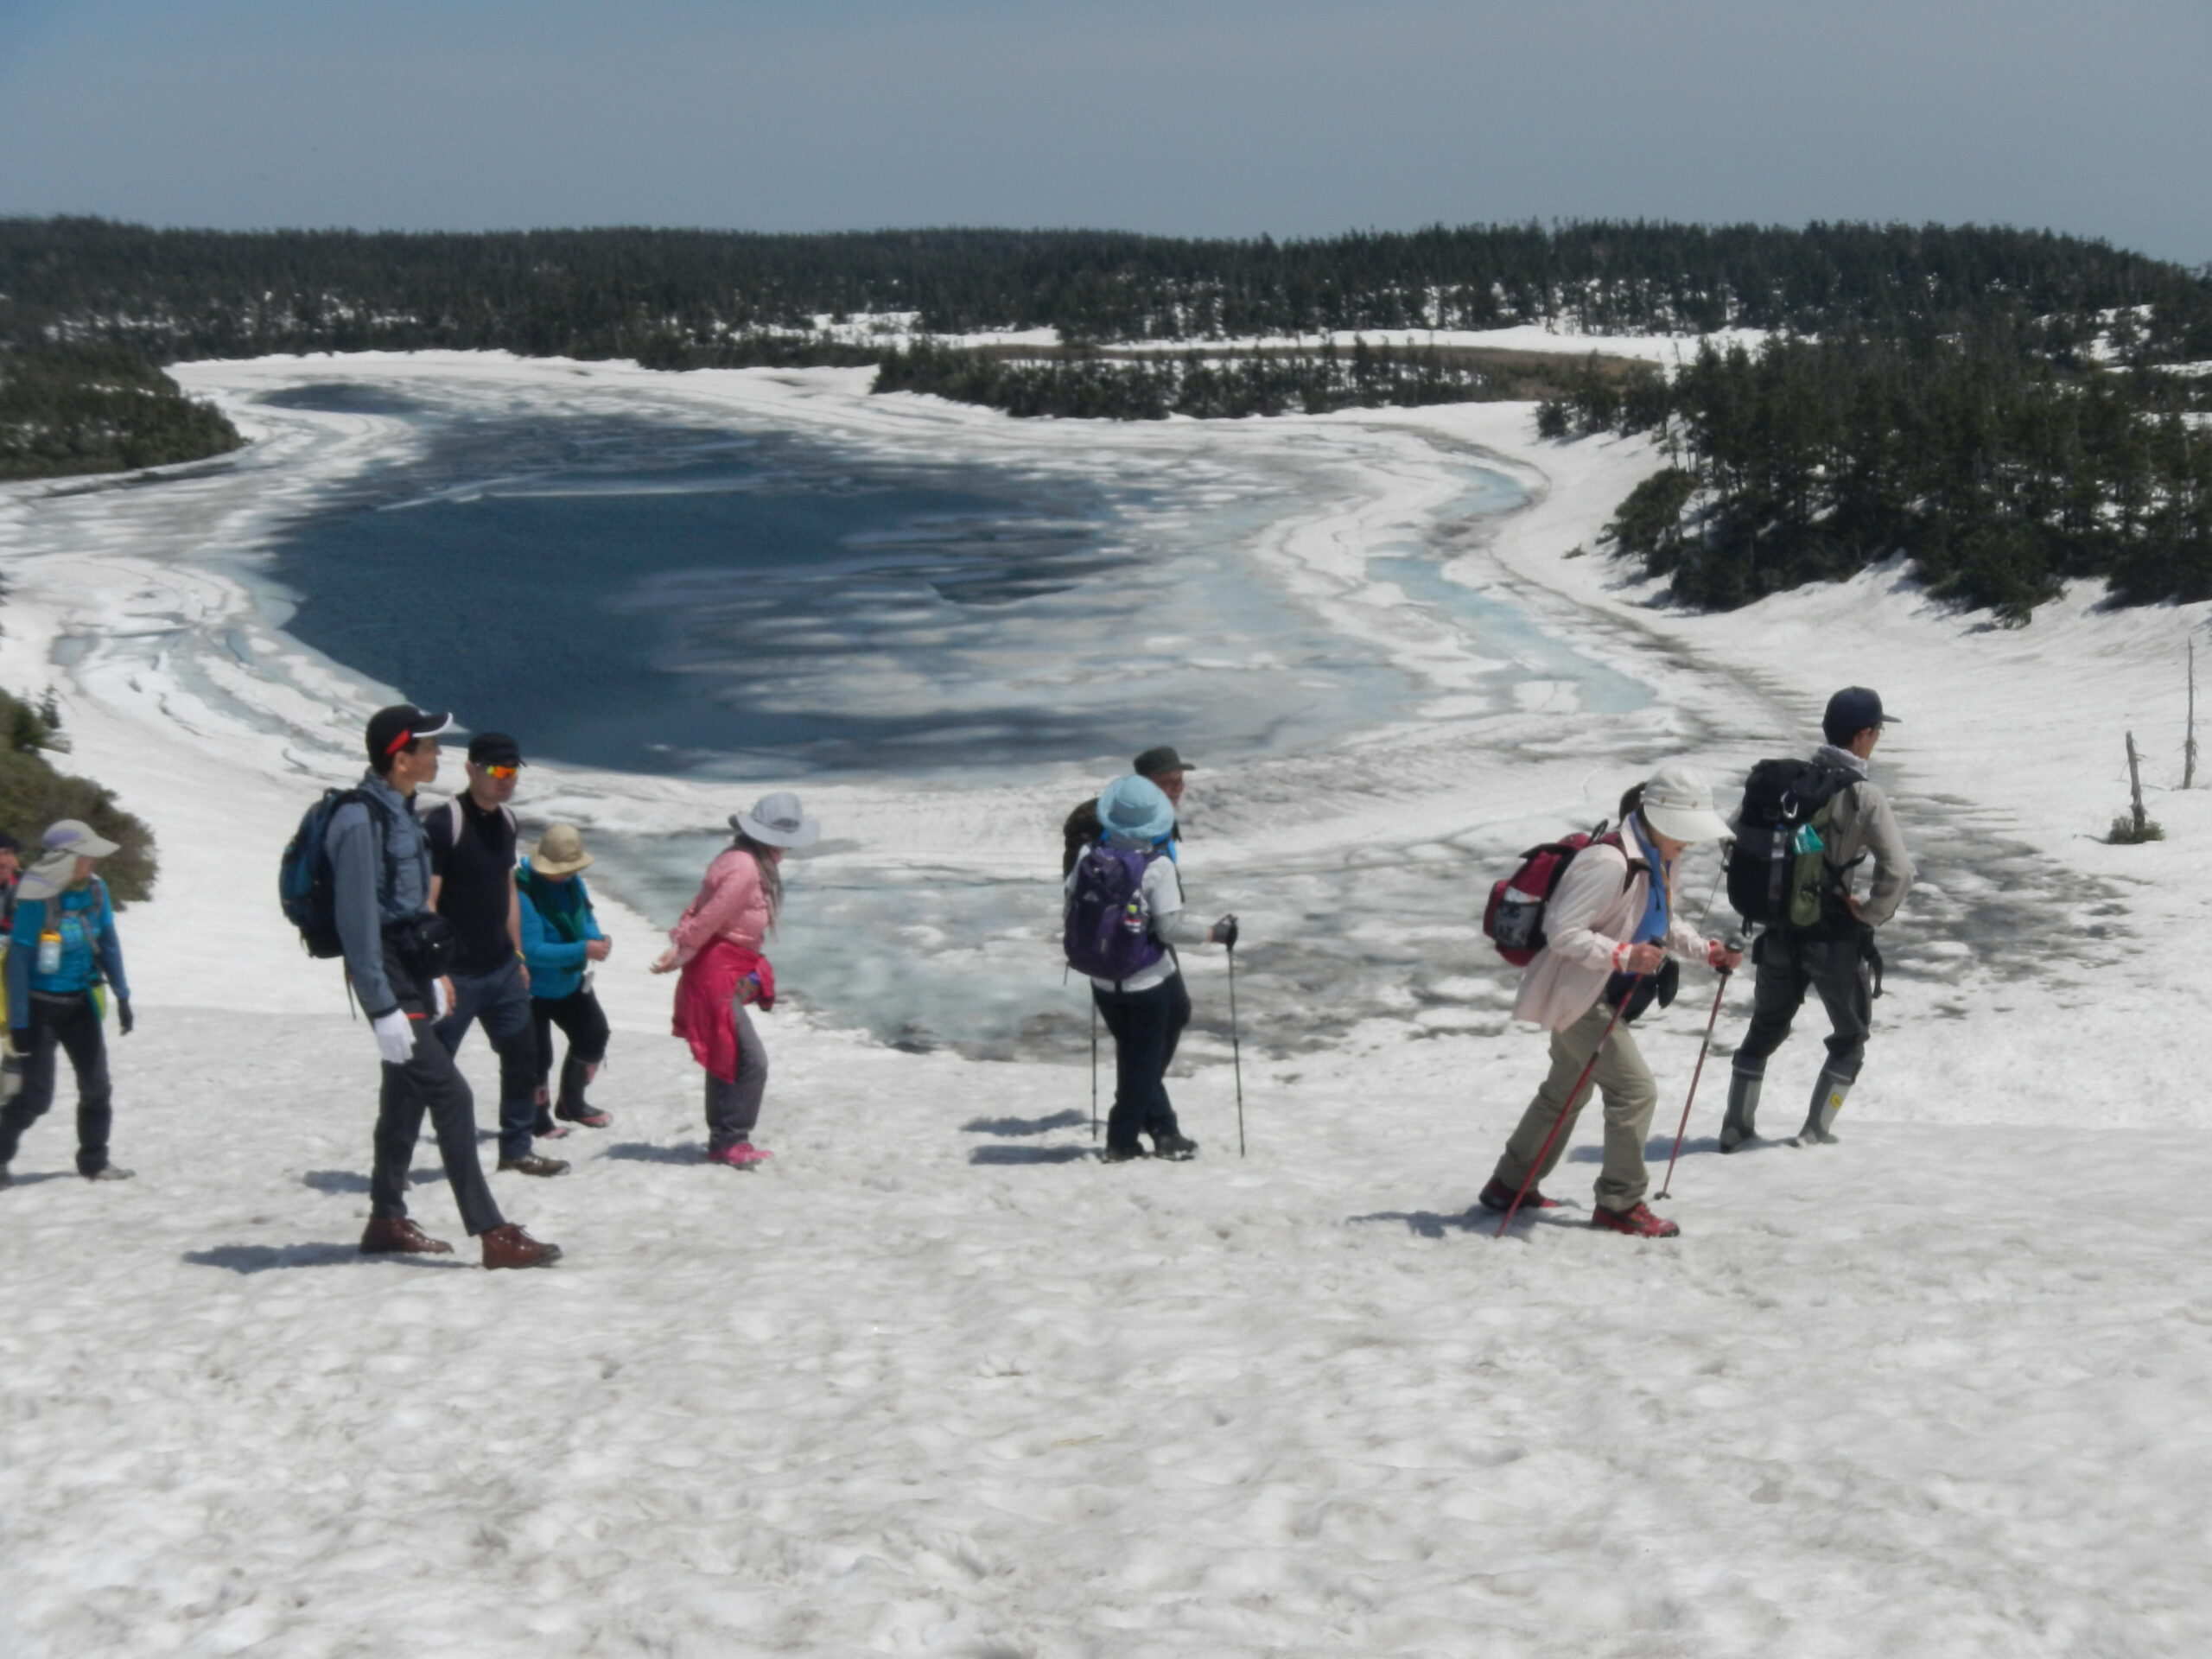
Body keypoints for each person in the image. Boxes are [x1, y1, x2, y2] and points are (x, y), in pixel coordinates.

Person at [328, 704, 559, 1268]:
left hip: (411, 974)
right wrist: (384, 1006)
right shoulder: (362, 821)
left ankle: (386, 1218)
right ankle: (493, 1233)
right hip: (388, 980)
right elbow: (357, 923)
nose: (437, 756)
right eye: (428, 747)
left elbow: (409, 911)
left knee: (404, 1094)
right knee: (453, 1096)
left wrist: (430, 976)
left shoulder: (399, 810)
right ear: (401, 758)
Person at [1478, 766, 1743, 1237]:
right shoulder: (1609, 862)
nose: (1691, 842)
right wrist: (1624, 955)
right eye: (1687, 831)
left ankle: (1509, 1185)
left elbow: (1658, 919)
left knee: (1566, 1090)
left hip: (1601, 991)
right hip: (1578, 996)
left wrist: (1705, 951)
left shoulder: (1659, 856)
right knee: (1635, 1090)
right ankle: (1620, 1202)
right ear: (1659, 819)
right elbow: (1563, 933)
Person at [1720, 687, 1916, 1150]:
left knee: (1764, 1028)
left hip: (1777, 932)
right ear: (1864, 734)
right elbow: (1900, 871)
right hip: (1834, 936)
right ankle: (1815, 1131)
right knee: (1850, 1036)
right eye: (1878, 730)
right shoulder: (1863, 794)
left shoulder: (1785, 782)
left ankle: (1735, 1125)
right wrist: (1870, 913)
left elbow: (1731, 836)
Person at [1065, 773, 1237, 1164]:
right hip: (1148, 980)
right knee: (1141, 1058)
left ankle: (1162, 1127)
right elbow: (1170, 928)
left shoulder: (1086, 856)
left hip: (1103, 978)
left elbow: (1072, 901)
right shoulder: (1156, 867)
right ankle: (1125, 1139)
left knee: (1146, 1045)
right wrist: (1216, 933)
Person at [423, 731, 566, 1177]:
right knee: (431, 1070)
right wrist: (435, 971)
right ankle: (416, 1155)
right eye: (497, 771)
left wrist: (519, 955)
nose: (506, 781)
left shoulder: (506, 822)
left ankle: (517, 1148)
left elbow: (507, 888)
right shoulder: (445, 822)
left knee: (523, 1058)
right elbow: (427, 901)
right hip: (457, 974)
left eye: (513, 772)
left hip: (502, 968)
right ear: (471, 769)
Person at [652, 792, 820, 1168]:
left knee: (726, 1052)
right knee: (749, 1060)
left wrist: (682, 944)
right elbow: (710, 916)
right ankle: (732, 1139)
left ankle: (723, 1141)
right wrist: (681, 950)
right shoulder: (745, 869)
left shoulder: (737, 859)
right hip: (716, 968)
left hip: (723, 965)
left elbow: (698, 908)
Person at [0, 821, 134, 1186]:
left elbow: (108, 941)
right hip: (40, 1006)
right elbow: (19, 961)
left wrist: (122, 995)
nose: (93, 861)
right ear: (66, 858)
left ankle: (94, 1162)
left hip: (79, 1004)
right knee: (35, 1098)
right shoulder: (34, 896)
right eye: (86, 855)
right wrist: (21, 1023)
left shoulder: (95, 889)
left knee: (97, 1087)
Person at [518, 823, 613, 1132]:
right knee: (536, 1058)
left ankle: (572, 1103)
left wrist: (597, 941)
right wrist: (583, 948)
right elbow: (531, 950)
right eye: (563, 869)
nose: (569, 874)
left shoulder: (572, 884)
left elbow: (585, 918)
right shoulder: (523, 892)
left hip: (569, 982)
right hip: (532, 989)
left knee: (594, 1034)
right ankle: (538, 1119)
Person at [1061, 745, 1192, 877]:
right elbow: (1078, 885)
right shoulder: (1108, 823)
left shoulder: (1165, 821)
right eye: (1166, 781)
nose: (1178, 787)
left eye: (1179, 779)